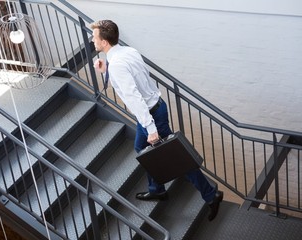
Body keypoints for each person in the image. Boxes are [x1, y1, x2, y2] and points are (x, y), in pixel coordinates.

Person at [91, 20, 223, 221]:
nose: (92, 40)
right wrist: (106, 70)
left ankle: (210, 195)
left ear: (105, 42)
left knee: (177, 158)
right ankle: (157, 189)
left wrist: (151, 128)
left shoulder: (117, 64)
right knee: (141, 149)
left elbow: (134, 97)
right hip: (156, 108)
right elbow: (133, 78)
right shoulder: (128, 52)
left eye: (95, 37)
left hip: (150, 115)